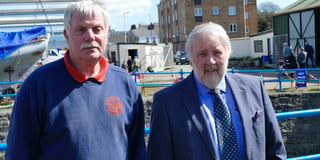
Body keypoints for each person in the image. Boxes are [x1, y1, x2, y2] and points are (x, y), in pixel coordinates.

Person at [5, 0, 146, 159]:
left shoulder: (125, 84)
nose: (90, 36)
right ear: (67, 35)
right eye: (81, 29)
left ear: (107, 32)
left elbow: (137, 150)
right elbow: (19, 152)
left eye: (97, 29)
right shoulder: (38, 86)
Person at [147, 22, 286, 160]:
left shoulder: (255, 88)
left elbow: (275, 150)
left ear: (227, 55)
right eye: (202, 54)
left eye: (217, 52)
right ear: (190, 60)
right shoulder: (167, 102)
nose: (211, 61)